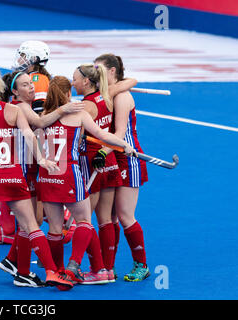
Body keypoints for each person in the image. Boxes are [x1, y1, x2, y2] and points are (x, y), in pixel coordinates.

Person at [0, 67, 74, 293]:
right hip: (14, 176)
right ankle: (51, 271)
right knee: (32, 225)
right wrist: (41, 159)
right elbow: (30, 136)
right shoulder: (14, 110)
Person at [37, 76, 136, 285]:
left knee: (54, 228)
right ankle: (74, 264)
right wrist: (124, 145)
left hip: (46, 175)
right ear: (67, 94)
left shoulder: (44, 116)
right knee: (84, 221)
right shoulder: (78, 114)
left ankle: (57, 271)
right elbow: (101, 134)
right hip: (68, 173)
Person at [0, 71, 84, 287]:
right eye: (25, 85)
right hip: (26, 169)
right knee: (31, 221)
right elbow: (41, 122)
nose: (32, 88)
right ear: (15, 91)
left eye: (31, 83)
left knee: (32, 220)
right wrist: (63, 109)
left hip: (31, 168)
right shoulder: (21, 107)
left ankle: (14, 262)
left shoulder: (21, 106)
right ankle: (21, 269)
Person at [72, 63, 137, 282]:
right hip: (108, 161)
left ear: (86, 82)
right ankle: (107, 269)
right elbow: (128, 83)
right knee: (105, 219)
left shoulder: (86, 107)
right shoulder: (106, 98)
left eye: (75, 80)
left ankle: (97, 270)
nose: (73, 83)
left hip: (91, 162)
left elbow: (73, 133)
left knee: (84, 219)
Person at [0, 40, 53, 244]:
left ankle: (16, 230)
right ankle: (15, 232)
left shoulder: (37, 79)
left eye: (24, 56)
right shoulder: (36, 78)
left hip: (32, 146)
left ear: (34, 59)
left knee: (23, 187)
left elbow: (39, 116)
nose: (20, 60)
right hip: (31, 144)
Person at [94, 53, 150, 281]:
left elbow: (118, 134)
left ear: (112, 72)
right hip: (112, 158)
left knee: (126, 215)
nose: (95, 73)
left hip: (128, 158)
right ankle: (108, 267)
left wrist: (101, 152)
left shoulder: (121, 97)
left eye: (99, 69)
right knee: (111, 216)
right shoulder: (106, 94)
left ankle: (142, 265)